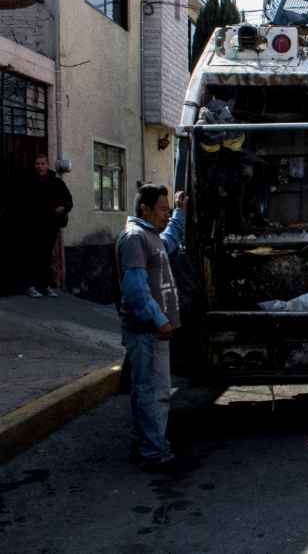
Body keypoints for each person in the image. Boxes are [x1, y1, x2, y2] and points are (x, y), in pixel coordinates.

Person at [116, 184, 187, 472]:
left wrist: (180, 213)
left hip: (151, 330)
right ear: (145, 209)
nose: (166, 215)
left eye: (169, 210)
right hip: (147, 330)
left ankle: (141, 443)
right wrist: (160, 320)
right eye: (162, 209)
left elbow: (169, 242)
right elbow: (134, 288)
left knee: (144, 389)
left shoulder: (151, 236)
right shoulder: (135, 238)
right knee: (154, 391)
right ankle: (156, 452)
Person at [23, 154, 73, 298]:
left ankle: (45, 286)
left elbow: (68, 200)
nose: (40, 166)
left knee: (45, 256)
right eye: (37, 164)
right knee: (31, 255)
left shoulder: (56, 183)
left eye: (42, 164)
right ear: (34, 165)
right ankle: (29, 286)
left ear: (47, 165)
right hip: (31, 226)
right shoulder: (28, 181)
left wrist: (63, 208)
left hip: (49, 226)